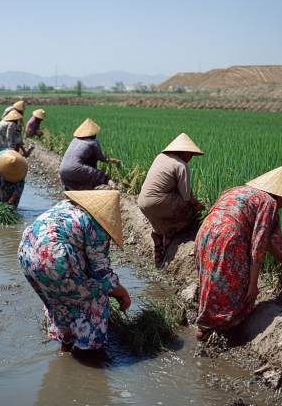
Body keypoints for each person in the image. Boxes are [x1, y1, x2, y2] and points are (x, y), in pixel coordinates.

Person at [194, 165, 282, 341]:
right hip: (229, 238)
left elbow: (268, 241)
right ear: (280, 193)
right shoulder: (268, 202)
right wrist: (253, 284)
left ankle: (204, 325)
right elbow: (259, 245)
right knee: (235, 286)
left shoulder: (239, 190)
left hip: (205, 232)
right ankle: (221, 326)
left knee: (211, 279)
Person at [18, 190, 131, 353]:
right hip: (54, 260)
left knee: (58, 299)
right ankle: (87, 350)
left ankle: (66, 345)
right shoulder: (97, 227)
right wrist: (123, 293)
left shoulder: (65, 206)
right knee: (95, 296)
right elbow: (101, 274)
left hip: (26, 252)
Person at [138, 133, 205, 262]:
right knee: (190, 209)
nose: (190, 158)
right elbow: (186, 196)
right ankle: (171, 233)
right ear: (183, 152)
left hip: (142, 202)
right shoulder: (181, 165)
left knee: (174, 202)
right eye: (190, 155)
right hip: (158, 202)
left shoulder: (160, 157)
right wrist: (197, 205)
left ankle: (160, 234)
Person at [59, 118, 119, 191]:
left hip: (62, 170)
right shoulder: (93, 143)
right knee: (99, 175)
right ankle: (95, 193)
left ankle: (72, 195)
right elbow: (100, 158)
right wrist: (109, 160)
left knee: (73, 186)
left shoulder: (74, 140)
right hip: (75, 168)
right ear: (93, 134)